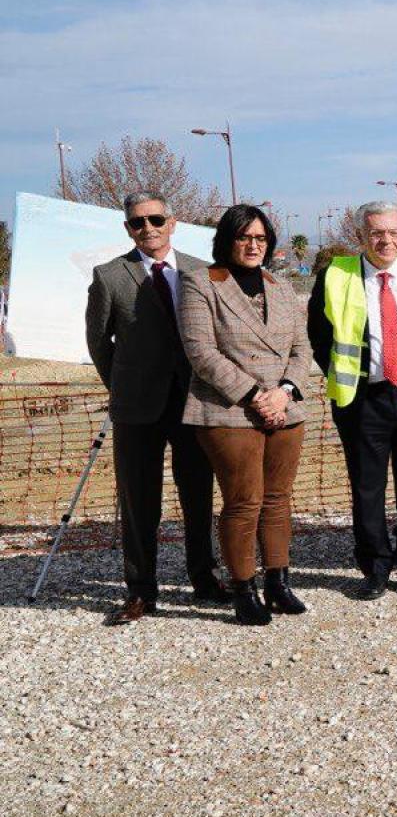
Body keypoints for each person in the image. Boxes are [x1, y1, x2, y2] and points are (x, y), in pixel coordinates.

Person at [84, 191, 222, 625]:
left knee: (198, 496)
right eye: (138, 223)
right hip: (136, 408)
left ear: (172, 223)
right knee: (139, 502)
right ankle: (140, 591)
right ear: (128, 229)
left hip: (195, 402)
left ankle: (204, 577)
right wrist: (124, 386)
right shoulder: (109, 276)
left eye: (155, 219)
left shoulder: (204, 272)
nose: (148, 228)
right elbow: (98, 342)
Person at [178, 205, 314, 625]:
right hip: (228, 410)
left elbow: (301, 348)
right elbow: (201, 351)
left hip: (284, 410)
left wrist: (285, 392)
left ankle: (278, 582)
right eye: (244, 237)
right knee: (244, 502)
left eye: (261, 238)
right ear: (227, 240)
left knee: (278, 499)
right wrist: (256, 394)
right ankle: (244, 589)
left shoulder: (280, 286)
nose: (254, 245)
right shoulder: (201, 283)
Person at [308, 202, 397, 600]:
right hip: (362, 399)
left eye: (392, 233)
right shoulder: (335, 276)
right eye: (376, 233)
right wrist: (348, 375)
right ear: (361, 237)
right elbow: (319, 337)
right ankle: (374, 568)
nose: (385, 240)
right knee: (367, 487)